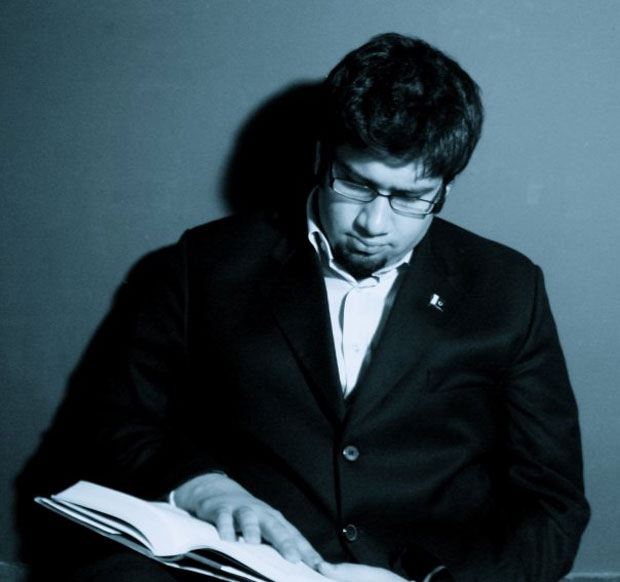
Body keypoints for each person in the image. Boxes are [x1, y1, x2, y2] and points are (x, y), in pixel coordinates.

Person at [15, 32, 590, 582]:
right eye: (356, 185)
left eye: (412, 198)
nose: (375, 223)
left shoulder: (508, 289)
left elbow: (553, 504)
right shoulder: (203, 265)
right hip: (234, 568)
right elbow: (111, 425)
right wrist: (201, 486)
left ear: (446, 188)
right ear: (323, 156)